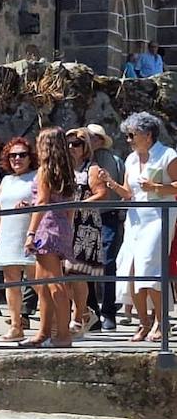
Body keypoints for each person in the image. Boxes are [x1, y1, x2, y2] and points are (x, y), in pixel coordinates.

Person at [107, 112, 177, 342]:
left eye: (131, 135)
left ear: (147, 135)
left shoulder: (167, 155)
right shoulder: (131, 159)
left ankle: (161, 322)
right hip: (135, 219)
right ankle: (144, 322)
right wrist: (111, 184)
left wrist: (156, 186)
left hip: (159, 217)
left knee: (151, 268)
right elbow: (129, 193)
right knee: (131, 269)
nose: (128, 140)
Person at [21, 127, 74, 349]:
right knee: (43, 284)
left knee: (53, 283)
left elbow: (42, 202)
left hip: (46, 227)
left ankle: (62, 334)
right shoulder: (67, 170)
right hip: (60, 226)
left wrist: (31, 232)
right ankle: (43, 332)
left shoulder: (45, 171)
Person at [0, 137, 38, 342]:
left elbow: (45, 203)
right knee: (10, 281)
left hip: (30, 233)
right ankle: (15, 325)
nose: (17, 158)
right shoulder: (6, 180)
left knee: (38, 280)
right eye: (13, 155)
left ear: (31, 157)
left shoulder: (37, 176)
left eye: (22, 154)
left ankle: (57, 320)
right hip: (8, 235)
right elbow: (0, 210)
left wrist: (31, 207)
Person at [64, 127, 106, 336]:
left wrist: (79, 205)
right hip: (66, 223)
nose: (72, 147)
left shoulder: (92, 168)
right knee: (64, 273)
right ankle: (86, 313)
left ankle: (78, 317)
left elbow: (101, 193)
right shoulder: (64, 169)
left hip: (85, 225)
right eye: (69, 143)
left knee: (77, 272)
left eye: (77, 143)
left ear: (85, 147)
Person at [87, 124, 125, 330]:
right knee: (86, 265)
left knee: (109, 262)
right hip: (87, 217)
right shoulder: (81, 162)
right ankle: (91, 311)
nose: (89, 141)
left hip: (110, 216)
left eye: (93, 137)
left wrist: (122, 213)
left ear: (101, 140)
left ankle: (109, 311)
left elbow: (122, 187)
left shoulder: (116, 161)